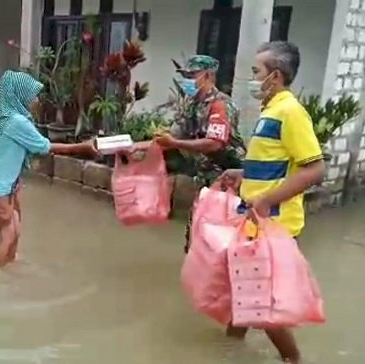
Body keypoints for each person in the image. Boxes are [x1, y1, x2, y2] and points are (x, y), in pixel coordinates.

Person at [218, 41, 326, 364]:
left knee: (261, 304)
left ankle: (293, 359)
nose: (252, 78)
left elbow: (315, 168)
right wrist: (242, 174)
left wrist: (266, 200)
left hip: (275, 227)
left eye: (256, 71)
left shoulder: (290, 112)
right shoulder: (272, 111)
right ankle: (228, 349)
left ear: (274, 76)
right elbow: (276, 165)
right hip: (256, 222)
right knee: (243, 293)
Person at [0, 70, 98, 268]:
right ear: (20, 96)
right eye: (32, 96)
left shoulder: (4, 116)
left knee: (15, 229)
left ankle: (10, 269)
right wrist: (82, 147)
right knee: (8, 234)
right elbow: (45, 147)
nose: (36, 101)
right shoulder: (17, 122)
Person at [129, 55, 246, 252]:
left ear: (207, 76)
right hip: (203, 177)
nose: (187, 80)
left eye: (192, 75)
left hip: (229, 177)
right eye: (185, 75)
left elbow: (214, 144)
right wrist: (136, 147)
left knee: (224, 236)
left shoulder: (220, 105)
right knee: (197, 234)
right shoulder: (188, 104)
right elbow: (171, 138)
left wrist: (175, 143)